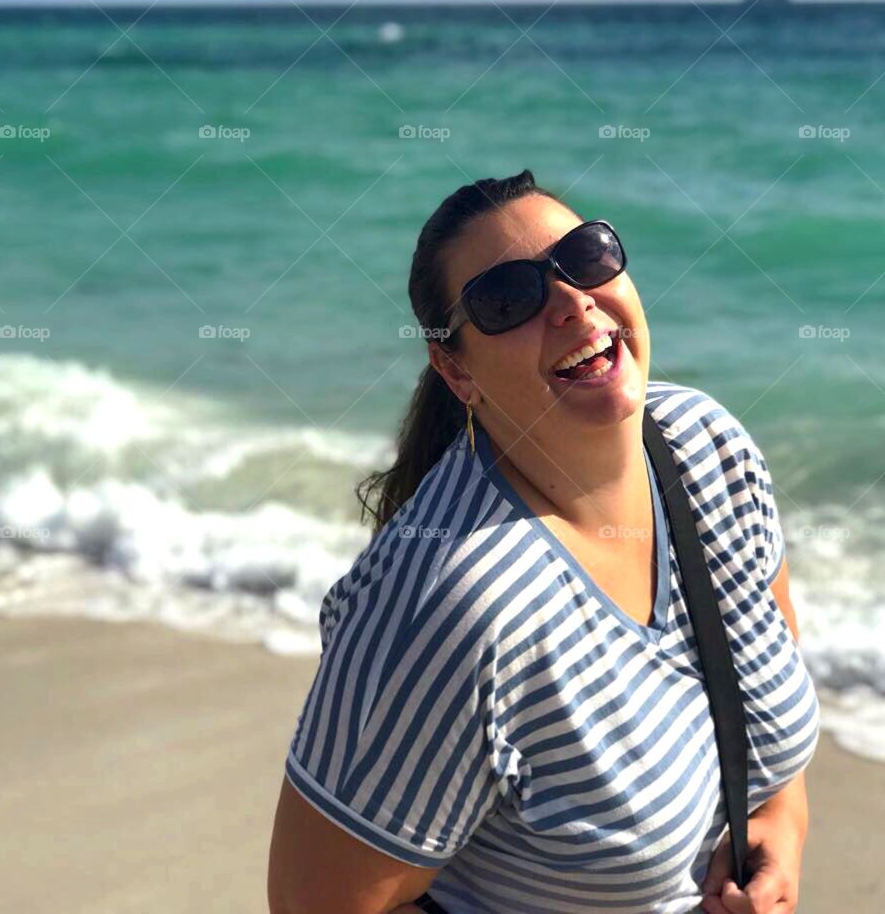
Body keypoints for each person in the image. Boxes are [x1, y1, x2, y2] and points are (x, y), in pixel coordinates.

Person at [267, 170, 818, 914]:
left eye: (586, 257)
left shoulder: (710, 450)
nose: (570, 301)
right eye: (507, 299)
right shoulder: (451, 604)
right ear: (456, 369)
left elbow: (769, 741)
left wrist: (777, 831)